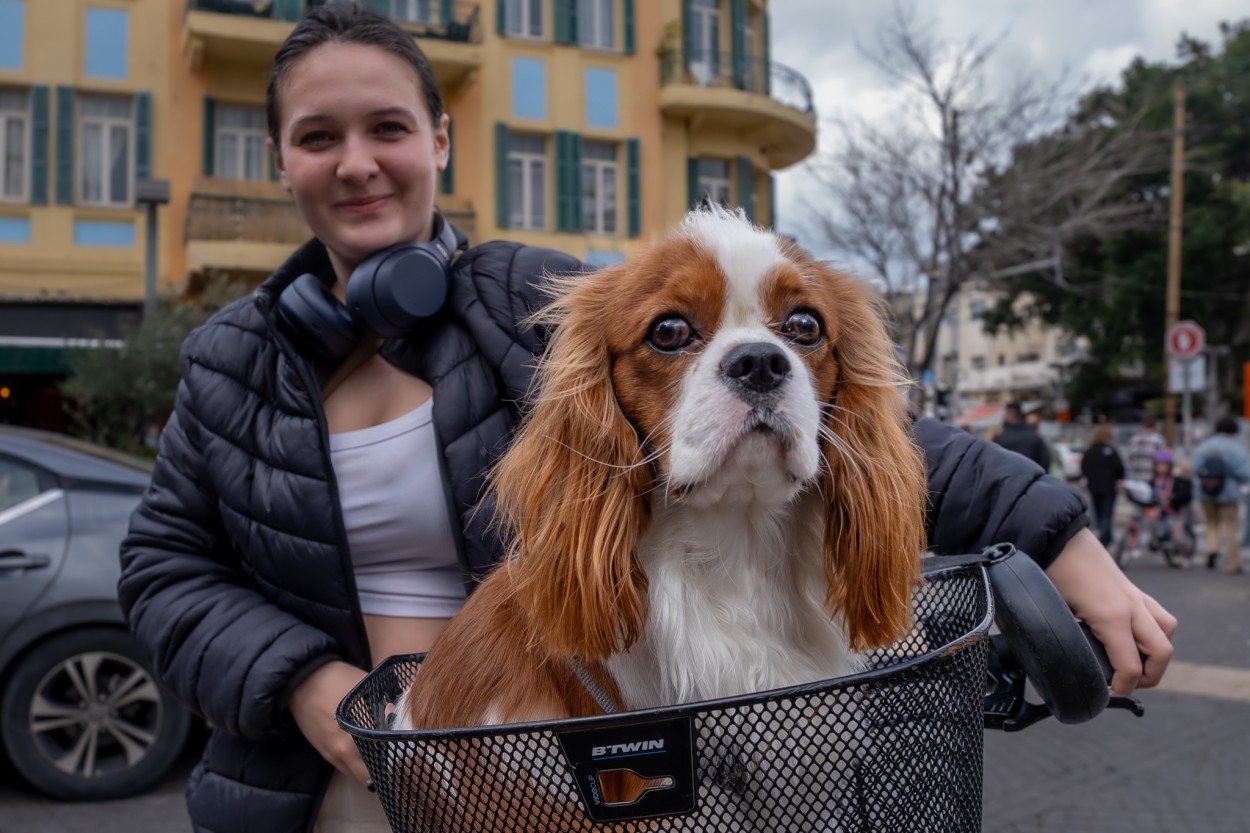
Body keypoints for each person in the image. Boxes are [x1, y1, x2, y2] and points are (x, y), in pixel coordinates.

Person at [116, 5, 1176, 832]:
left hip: (604, 735)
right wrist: (306, 685)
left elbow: (856, 419)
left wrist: (1062, 538)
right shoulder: (227, 361)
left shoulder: (527, 298)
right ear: (280, 158)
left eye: (388, 126)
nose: (356, 161)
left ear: (438, 138)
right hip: (342, 773)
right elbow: (165, 567)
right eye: (318, 135)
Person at [1190, 416, 1250, 573]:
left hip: (1206, 491)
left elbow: (1195, 468)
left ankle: (1212, 550)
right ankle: (1233, 563)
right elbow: (1245, 473)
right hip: (1229, 493)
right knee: (1230, 526)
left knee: (1211, 523)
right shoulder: (1236, 448)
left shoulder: (1205, 446)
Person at [1080, 423, 1125, 546]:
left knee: (1098, 513)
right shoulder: (1110, 451)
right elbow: (1119, 467)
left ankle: (1104, 536)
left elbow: (1084, 467)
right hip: (1109, 487)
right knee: (1107, 514)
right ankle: (1105, 538)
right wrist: (1119, 478)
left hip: (1094, 487)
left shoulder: (1089, 451)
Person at [1149, 447, 1194, 567]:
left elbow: (1183, 493)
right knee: (1151, 520)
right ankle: (1155, 541)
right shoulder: (1154, 480)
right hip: (1161, 508)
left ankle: (1185, 554)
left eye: (1164, 465)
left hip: (1175, 509)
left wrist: (1173, 496)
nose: (1161, 467)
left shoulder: (1176, 479)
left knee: (1178, 534)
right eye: (1159, 465)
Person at [993, 400, 1051, 470]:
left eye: (1005, 414)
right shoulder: (1034, 437)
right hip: (1033, 478)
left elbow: (994, 464)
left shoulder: (999, 439)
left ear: (1010, 415)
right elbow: (1045, 461)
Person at [1126, 413, 1167, 484]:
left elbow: (1129, 458)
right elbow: (1163, 461)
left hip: (1134, 478)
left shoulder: (1134, 439)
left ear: (1141, 424)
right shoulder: (1158, 440)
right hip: (1151, 477)